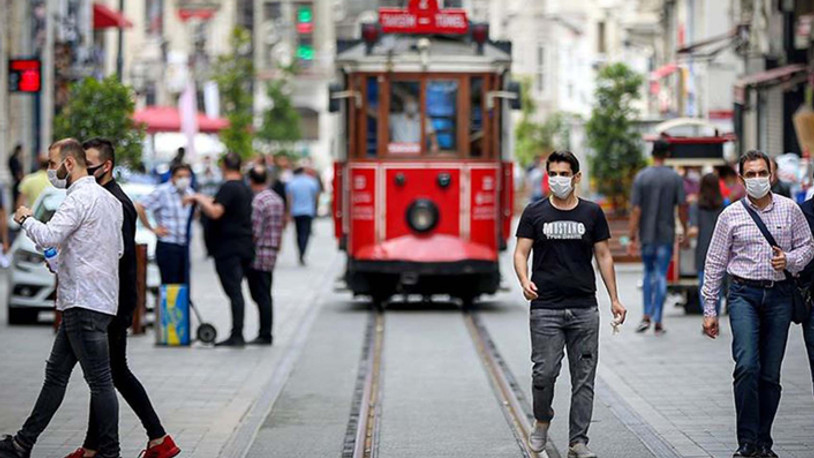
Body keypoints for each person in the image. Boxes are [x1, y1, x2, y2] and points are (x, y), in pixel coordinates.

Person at [0, 138, 123, 458]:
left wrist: (26, 218)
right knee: (56, 375)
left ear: (69, 163)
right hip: (96, 299)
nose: (51, 171)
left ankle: (110, 452)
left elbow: (50, 235)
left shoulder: (77, 197)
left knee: (100, 381)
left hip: (83, 301)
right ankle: (22, 443)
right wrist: (64, 259)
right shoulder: (109, 201)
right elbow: (115, 250)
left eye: (53, 164)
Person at [69, 138, 179, 458]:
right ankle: (97, 446)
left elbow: (119, 258)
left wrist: (118, 305)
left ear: (106, 166)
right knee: (105, 373)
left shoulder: (115, 202)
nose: (83, 172)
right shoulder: (100, 198)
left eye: (89, 166)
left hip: (112, 301)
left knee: (111, 373)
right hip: (108, 298)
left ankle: (157, 437)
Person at [514, 151, 627, 458]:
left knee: (584, 379)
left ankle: (578, 441)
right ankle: (542, 419)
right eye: (553, 174)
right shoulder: (534, 213)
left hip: (584, 309)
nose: (558, 179)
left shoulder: (592, 213)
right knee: (544, 373)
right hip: (545, 308)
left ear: (576, 177)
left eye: (564, 174)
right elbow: (521, 252)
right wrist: (524, 280)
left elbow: (603, 255)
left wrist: (614, 298)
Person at [702, 150, 814, 458]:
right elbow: (714, 262)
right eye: (750, 174)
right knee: (747, 366)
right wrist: (710, 310)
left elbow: (808, 247)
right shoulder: (730, 215)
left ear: (771, 175)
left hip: (779, 296)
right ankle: (747, 442)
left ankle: (764, 442)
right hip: (743, 295)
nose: (757, 179)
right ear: (741, 179)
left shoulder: (790, 210)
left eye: (761, 173)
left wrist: (789, 260)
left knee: (770, 375)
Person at [188, 152, 254, 347]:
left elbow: (216, 212)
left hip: (229, 247)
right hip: (243, 244)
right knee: (236, 291)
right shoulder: (244, 187)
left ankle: (237, 334)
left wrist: (199, 198)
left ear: (224, 166)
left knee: (234, 291)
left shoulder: (229, 187)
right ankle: (237, 333)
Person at [628, 139, 688, 335]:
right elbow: (682, 207)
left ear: (652, 154)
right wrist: (685, 230)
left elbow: (636, 210)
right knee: (661, 275)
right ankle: (659, 320)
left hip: (646, 234)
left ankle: (646, 314)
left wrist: (631, 236)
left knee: (648, 273)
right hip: (666, 234)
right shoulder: (674, 178)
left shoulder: (641, 177)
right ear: (667, 155)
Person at [135, 164, 194, 284]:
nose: (184, 180)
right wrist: (152, 228)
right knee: (170, 284)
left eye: (187, 176)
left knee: (183, 284)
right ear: (172, 177)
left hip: (184, 245)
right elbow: (140, 206)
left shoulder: (189, 192)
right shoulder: (162, 191)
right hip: (168, 244)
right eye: (180, 176)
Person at [246, 166, 285, 346]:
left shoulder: (258, 201)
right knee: (266, 292)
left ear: (251, 180)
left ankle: (265, 334)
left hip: (260, 252)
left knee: (260, 294)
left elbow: (255, 230)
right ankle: (265, 332)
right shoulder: (276, 199)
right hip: (272, 251)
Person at [689, 173, 725, 315]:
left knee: (703, 284)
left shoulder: (696, 206)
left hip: (703, 249)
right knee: (719, 285)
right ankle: (716, 312)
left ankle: (708, 314)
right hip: (721, 250)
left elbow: (693, 230)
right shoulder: (725, 204)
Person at [286, 165, 320, 265]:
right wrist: (315, 208)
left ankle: (300, 251)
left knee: (298, 233)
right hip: (308, 211)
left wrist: (289, 211)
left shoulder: (291, 183)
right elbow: (316, 196)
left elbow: (289, 199)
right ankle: (303, 252)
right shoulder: (312, 182)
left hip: (296, 211)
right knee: (306, 233)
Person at [8, 143, 23, 208]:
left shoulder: (14, 158)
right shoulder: (14, 159)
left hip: (15, 180)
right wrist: (20, 178)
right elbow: (17, 170)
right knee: (16, 197)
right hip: (16, 181)